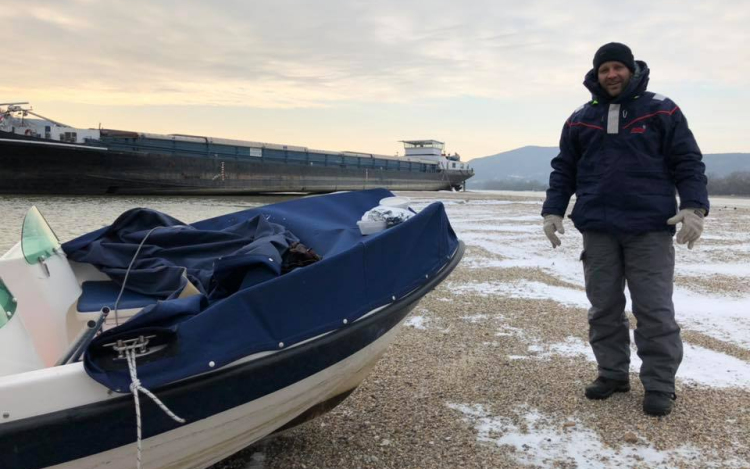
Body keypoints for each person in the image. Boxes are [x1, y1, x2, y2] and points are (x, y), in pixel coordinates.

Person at [541, 42, 709, 416]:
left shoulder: (662, 109)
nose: (611, 75)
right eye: (604, 69)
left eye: (618, 67)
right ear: (595, 75)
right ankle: (613, 374)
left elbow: (688, 161)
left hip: (649, 228)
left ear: (631, 70)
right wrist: (553, 212)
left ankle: (660, 384)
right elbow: (563, 169)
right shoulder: (580, 118)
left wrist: (694, 207)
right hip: (598, 229)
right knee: (603, 308)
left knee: (654, 310)